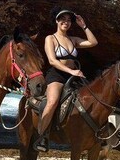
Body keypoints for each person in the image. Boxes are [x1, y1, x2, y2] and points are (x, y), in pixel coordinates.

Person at [34, 9, 98, 152]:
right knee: (52, 102)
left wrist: (84, 26)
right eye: (62, 19)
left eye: (69, 20)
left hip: (74, 76)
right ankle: (42, 136)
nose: (66, 22)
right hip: (56, 75)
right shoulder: (50, 38)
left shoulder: (73, 39)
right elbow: (52, 61)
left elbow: (93, 42)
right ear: (56, 21)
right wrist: (71, 71)